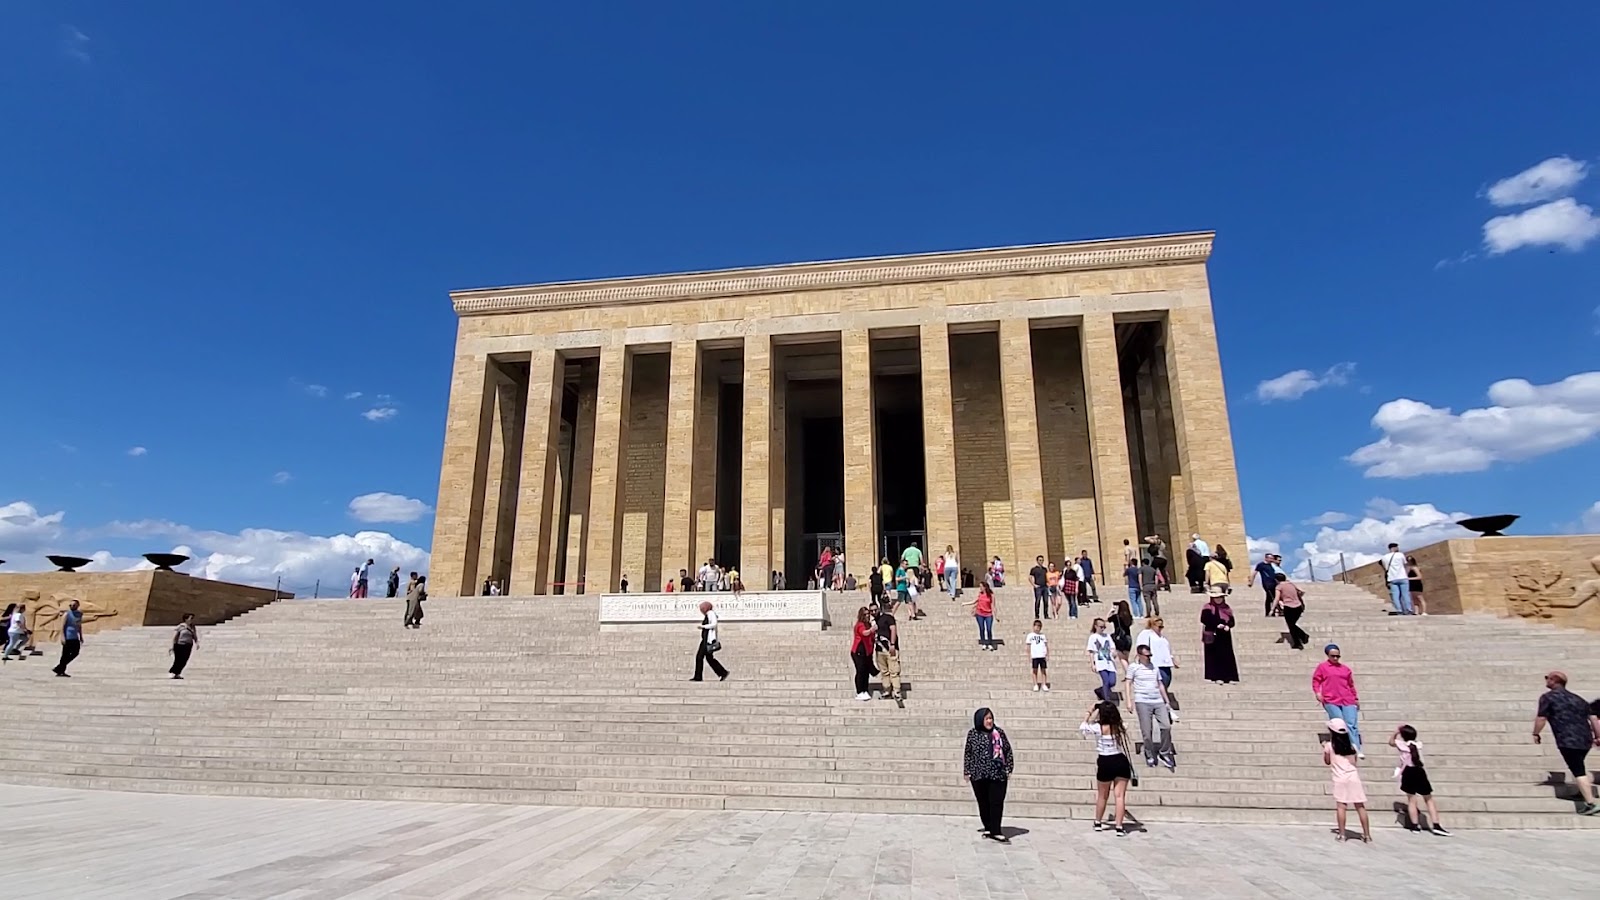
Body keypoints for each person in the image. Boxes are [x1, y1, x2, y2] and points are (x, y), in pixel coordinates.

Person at [1533, 670, 1600, 815]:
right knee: (1578, 765)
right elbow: (1593, 718)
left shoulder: (1548, 698)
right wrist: (1597, 736)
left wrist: (1536, 733)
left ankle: (1590, 803)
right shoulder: (1578, 699)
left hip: (1567, 739)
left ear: (1554, 680)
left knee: (1578, 770)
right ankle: (1581, 791)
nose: (1546, 680)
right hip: (1585, 739)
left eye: (1547, 678)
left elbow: (1541, 718)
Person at [1080, 701, 1134, 836]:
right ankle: (1119, 826)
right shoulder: (1120, 727)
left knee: (1102, 795)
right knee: (1120, 796)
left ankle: (1098, 822)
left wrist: (1089, 711)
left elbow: (1083, 727)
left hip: (1105, 760)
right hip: (1120, 760)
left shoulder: (1098, 728)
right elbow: (1122, 723)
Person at [964, 707, 1015, 843]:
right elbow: (968, 753)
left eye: (990, 718)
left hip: (998, 774)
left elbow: (1007, 751)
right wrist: (967, 771)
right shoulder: (973, 734)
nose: (989, 721)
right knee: (983, 802)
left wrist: (1009, 768)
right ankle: (988, 827)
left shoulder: (999, 733)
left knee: (996, 802)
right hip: (978, 774)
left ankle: (996, 830)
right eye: (986, 718)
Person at [1391, 724, 1451, 835]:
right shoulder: (1418, 745)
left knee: (1412, 800)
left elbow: (1391, 742)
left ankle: (1415, 826)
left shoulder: (1402, 745)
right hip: (1419, 771)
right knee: (1429, 799)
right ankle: (1436, 824)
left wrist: (1396, 732)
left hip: (1408, 772)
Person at [1127, 643, 1176, 770]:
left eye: (1150, 655)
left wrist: (1167, 701)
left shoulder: (1154, 667)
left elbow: (1160, 684)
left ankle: (1164, 752)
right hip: (1142, 700)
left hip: (1158, 700)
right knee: (1147, 731)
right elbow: (1128, 683)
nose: (1149, 657)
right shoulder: (1134, 667)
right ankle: (1149, 753)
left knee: (1166, 726)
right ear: (1139, 655)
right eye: (1147, 655)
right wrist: (1129, 701)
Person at [1323, 718, 1371, 843]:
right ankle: (1367, 835)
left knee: (1341, 807)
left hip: (1339, 779)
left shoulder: (1329, 746)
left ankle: (1342, 834)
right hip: (1353, 777)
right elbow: (1354, 761)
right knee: (1360, 806)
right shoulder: (1352, 746)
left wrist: (1325, 749)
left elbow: (1327, 761)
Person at [1313, 643, 1363, 757]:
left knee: (1351, 723)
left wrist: (1355, 698)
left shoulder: (1345, 669)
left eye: (1337, 656)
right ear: (1328, 656)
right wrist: (1318, 692)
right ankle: (1340, 746)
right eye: (1333, 656)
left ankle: (1356, 746)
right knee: (1339, 723)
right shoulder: (1322, 667)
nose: (1335, 658)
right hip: (1331, 699)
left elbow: (1351, 685)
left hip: (1347, 699)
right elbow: (1316, 681)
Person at [1134, 617, 1179, 723]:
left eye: (1162, 626)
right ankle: (1168, 710)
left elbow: (1166, 649)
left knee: (1165, 685)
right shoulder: (1146, 634)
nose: (1160, 629)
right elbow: (1141, 647)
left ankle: (1162, 709)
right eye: (1159, 626)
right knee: (1160, 687)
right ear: (1152, 625)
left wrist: (1172, 659)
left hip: (1166, 664)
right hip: (1155, 664)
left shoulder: (1162, 637)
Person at [1199, 587, 1239, 684]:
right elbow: (1204, 619)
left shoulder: (1226, 608)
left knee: (1227, 655)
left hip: (1224, 635)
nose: (1218, 599)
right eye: (1216, 597)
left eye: (1220, 597)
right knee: (1214, 656)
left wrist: (1228, 626)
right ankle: (1216, 676)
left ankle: (1229, 677)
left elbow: (1231, 621)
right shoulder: (1207, 607)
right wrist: (1217, 624)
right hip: (1213, 634)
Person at [692, 600, 729, 683]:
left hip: (707, 640)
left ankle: (698, 676)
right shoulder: (708, 614)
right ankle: (723, 672)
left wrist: (703, 626)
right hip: (705, 639)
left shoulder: (711, 613)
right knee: (709, 658)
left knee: (700, 657)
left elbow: (714, 624)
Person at [1273, 575, 1309, 650]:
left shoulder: (1279, 587)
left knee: (1291, 626)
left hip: (1288, 607)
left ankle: (1298, 643)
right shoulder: (1291, 584)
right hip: (1298, 607)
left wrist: (1272, 609)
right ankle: (1303, 636)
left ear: (1276, 580)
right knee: (1292, 625)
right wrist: (1297, 597)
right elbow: (1302, 591)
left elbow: (1276, 598)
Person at [1086, 618, 1118, 701]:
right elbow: (1091, 651)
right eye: (1101, 627)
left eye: (1104, 627)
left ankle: (1100, 690)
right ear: (1096, 626)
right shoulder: (1093, 637)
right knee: (1106, 681)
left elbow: (1112, 647)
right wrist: (1092, 664)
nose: (1103, 629)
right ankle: (1106, 699)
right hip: (1100, 662)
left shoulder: (1107, 636)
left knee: (1112, 682)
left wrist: (1114, 652)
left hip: (1109, 662)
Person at [872, 602, 898, 701]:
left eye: (875, 610)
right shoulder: (873, 622)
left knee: (894, 671)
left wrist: (892, 644)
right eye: (872, 611)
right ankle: (887, 690)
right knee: (884, 672)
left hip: (889, 648)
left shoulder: (888, 618)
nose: (874, 612)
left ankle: (896, 691)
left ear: (879, 609)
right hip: (879, 649)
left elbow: (893, 629)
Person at [849, 607, 876, 699]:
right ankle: (859, 691)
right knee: (860, 671)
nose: (867, 615)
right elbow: (864, 633)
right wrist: (872, 629)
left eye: (868, 613)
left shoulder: (868, 624)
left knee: (866, 671)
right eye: (865, 614)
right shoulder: (860, 625)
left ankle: (865, 689)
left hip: (866, 651)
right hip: (858, 651)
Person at [1380, 542, 1414, 615]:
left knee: (1395, 595)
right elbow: (1404, 564)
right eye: (1397, 547)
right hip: (1402, 576)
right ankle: (1408, 609)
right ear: (1394, 548)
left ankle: (1399, 610)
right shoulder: (1400, 554)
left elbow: (1385, 568)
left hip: (1392, 578)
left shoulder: (1384, 557)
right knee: (1405, 594)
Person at [53, 599, 83, 677]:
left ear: (77, 605)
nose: (72, 607)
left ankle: (59, 667)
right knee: (65, 654)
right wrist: (62, 637)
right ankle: (61, 670)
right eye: (70, 605)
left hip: (75, 637)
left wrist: (81, 636)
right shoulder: (66, 614)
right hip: (68, 636)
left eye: (73, 605)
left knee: (75, 653)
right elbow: (62, 626)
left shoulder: (79, 614)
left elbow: (79, 625)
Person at [963, 584, 996, 651]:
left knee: (989, 629)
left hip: (988, 614)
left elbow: (993, 606)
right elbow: (974, 601)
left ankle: (989, 643)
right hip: (980, 614)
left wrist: (996, 615)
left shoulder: (991, 595)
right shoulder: (980, 594)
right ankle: (983, 643)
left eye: (981, 586)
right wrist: (965, 603)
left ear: (985, 587)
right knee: (982, 628)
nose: (980, 588)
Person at [169, 613, 198, 679]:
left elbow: (194, 636)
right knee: (178, 659)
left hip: (188, 645)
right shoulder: (180, 626)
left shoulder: (192, 627)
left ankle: (178, 673)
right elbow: (175, 636)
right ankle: (173, 672)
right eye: (190, 618)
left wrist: (197, 643)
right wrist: (172, 646)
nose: (192, 620)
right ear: (186, 619)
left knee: (184, 660)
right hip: (179, 645)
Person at [1026, 619, 1050, 692]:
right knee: (1035, 670)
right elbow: (1028, 646)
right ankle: (1035, 684)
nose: (1037, 628)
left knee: (1043, 670)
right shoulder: (1030, 635)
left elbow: (1046, 645)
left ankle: (1044, 684)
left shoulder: (1043, 636)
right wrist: (1029, 655)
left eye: (1039, 627)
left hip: (1042, 655)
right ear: (1033, 627)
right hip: (1035, 655)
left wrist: (1047, 654)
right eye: (1036, 626)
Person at [1028, 555, 1050, 620]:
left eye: (1042, 560)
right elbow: (1030, 577)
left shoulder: (1045, 569)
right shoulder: (1034, 569)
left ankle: (1046, 615)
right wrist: (1034, 585)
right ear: (1037, 561)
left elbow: (1047, 577)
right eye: (1040, 560)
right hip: (1038, 587)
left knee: (1046, 601)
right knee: (1038, 601)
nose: (1041, 561)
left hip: (1045, 587)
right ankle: (1037, 615)